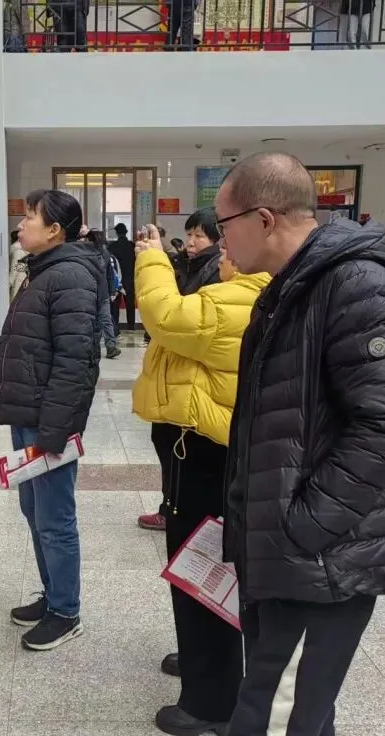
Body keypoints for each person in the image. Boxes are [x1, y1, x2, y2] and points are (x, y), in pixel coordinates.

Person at [216, 152, 385, 736]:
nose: (220, 238)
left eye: (225, 224)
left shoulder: (356, 285)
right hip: (290, 556)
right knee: (305, 731)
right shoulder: (294, 286)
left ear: (263, 219)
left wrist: (304, 525)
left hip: (322, 562)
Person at [133, 221, 269, 736]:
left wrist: (151, 257)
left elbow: (165, 316)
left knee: (203, 564)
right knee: (198, 564)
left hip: (207, 455)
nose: (221, 255)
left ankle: (212, 700)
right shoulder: (237, 293)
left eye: (228, 246)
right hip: (200, 451)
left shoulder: (242, 298)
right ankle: (203, 662)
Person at [0, 189, 100, 651]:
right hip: (29, 413)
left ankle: (66, 611)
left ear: (54, 230)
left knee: (54, 518)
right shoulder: (41, 270)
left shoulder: (70, 276)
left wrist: (55, 431)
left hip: (48, 421)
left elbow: (76, 362)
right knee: (34, 511)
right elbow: (22, 337)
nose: (21, 224)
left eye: (30, 217)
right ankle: (52, 595)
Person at [138, 207, 227, 533]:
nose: (190, 242)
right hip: (174, 374)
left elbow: (176, 316)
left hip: (192, 378)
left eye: (198, 236)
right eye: (189, 234)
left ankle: (178, 512)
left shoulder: (218, 271)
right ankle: (172, 506)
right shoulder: (188, 264)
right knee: (166, 441)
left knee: (182, 451)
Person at [83, 227, 122, 358]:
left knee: (96, 321)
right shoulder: (106, 254)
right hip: (102, 292)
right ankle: (110, 346)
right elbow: (110, 274)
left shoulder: (87, 255)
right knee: (105, 320)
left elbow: (109, 274)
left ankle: (98, 348)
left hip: (91, 292)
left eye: (87, 239)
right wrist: (112, 291)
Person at [109, 223, 137, 329]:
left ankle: (115, 327)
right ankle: (131, 326)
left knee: (115, 304)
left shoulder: (111, 247)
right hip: (130, 279)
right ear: (126, 232)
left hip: (116, 279)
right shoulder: (132, 246)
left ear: (117, 233)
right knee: (130, 304)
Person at [8, 229, 30, 300]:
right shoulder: (26, 250)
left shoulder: (17, 251)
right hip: (25, 280)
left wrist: (8, 284)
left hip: (17, 282)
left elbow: (14, 269)